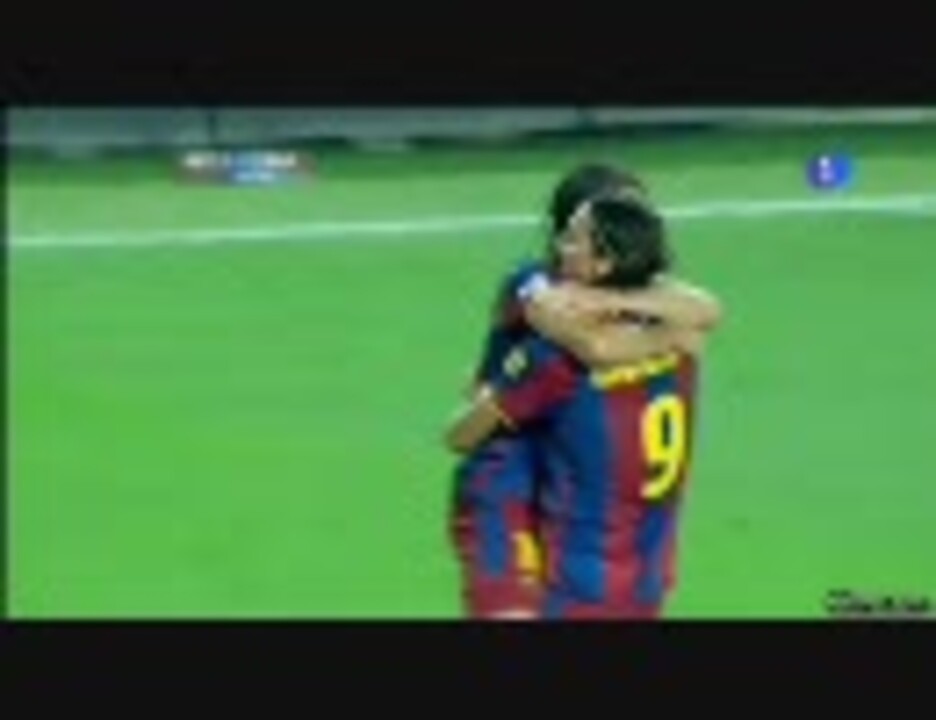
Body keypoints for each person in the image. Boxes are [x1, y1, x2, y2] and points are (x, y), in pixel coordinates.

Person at [447, 167, 720, 619]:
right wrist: (665, 338)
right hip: (510, 472)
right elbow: (592, 344)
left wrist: (618, 304)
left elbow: (706, 308)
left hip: (574, 482)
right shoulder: (536, 288)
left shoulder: (639, 304)